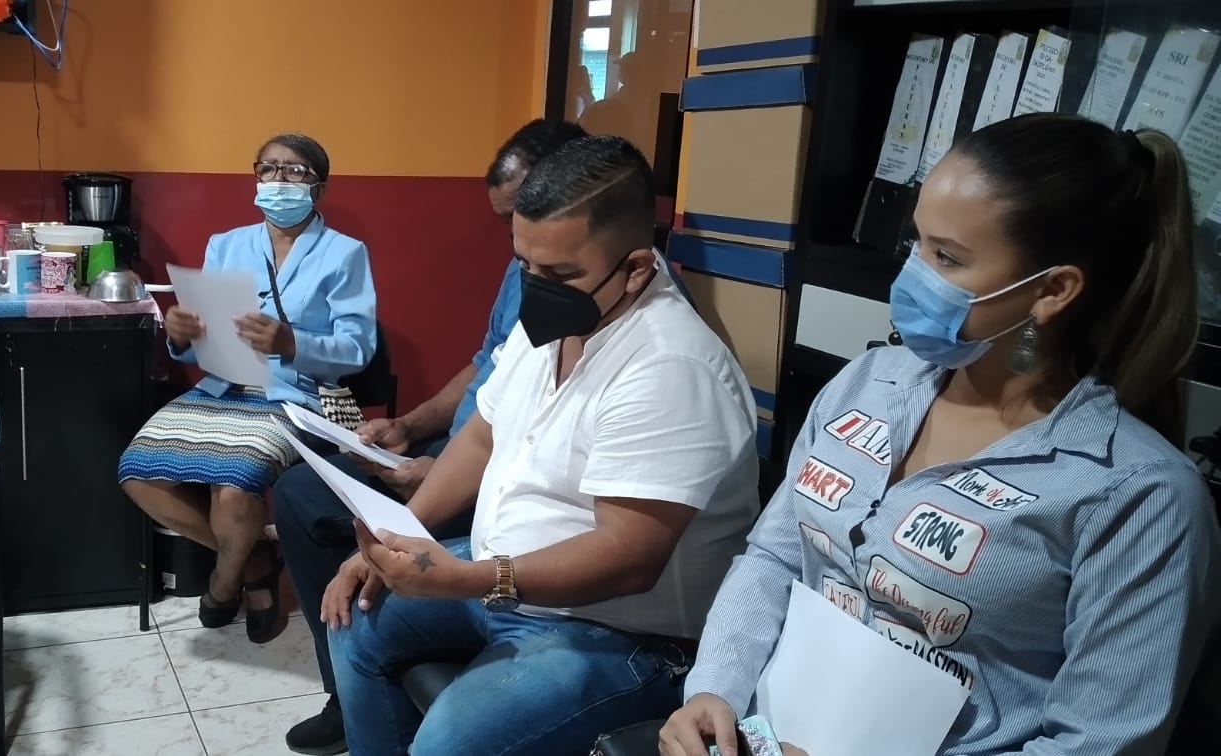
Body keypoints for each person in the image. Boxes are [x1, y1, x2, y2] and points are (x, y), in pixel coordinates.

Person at [659, 114, 1221, 756]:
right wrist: (715, 691)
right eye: (916, 243)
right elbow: (775, 559)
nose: (913, 276)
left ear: (1053, 290)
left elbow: (1097, 742)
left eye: (947, 258)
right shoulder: (867, 383)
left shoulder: (1137, 493)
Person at [324, 135, 762, 755]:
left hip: (619, 631)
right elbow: (483, 435)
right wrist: (396, 535)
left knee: (448, 743)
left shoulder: (671, 365)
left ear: (636, 268)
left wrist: (469, 579)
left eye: (558, 274)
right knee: (353, 620)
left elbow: (629, 557)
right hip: (503, 581)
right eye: (524, 265)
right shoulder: (561, 318)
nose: (534, 287)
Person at [272, 118, 588, 755]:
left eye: (524, 215)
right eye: (508, 224)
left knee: (343, 524)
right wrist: (409, 427)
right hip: (458, 453)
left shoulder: (621, 325)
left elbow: (532, 449)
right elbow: (483, 370)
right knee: (299, 495)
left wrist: (430, 484)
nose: (515, 242)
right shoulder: (527, 273)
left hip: (505, 495)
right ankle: (350, 696)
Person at [119, 133, 378, 645]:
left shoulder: (345, 253)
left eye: (295, 170)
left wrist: (291, 342)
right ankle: (257, 560)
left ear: (319, 187)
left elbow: (358, 348)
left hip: (296, 395)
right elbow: (204, 340)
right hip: (224, 387)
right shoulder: (227, 244)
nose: (279, 179)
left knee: (234, 488)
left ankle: (223, 582)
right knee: (138, 473)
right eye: (269, 168)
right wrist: (182, 337)